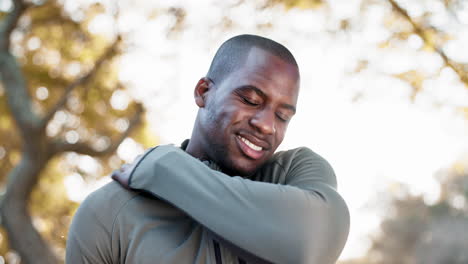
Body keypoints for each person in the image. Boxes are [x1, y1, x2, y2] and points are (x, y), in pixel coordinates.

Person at [66, 34, 350, 264]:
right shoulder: (110, 212)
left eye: (283, 116)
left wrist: (168, 169)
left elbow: (310, 245)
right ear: (203, 92)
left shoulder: (294, 174)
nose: (267, 126)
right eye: (251, 100)